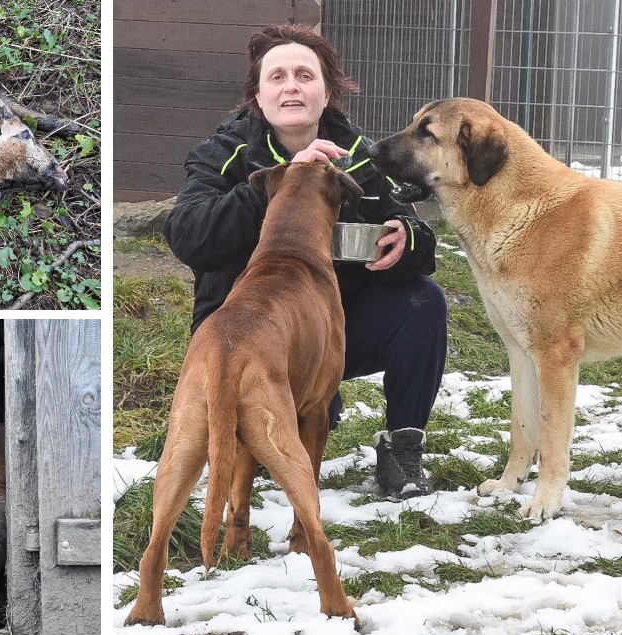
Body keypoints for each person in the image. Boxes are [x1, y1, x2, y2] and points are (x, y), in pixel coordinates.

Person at [163, 24, 447, 500]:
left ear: (327, 91)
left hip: (326, 333)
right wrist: (281, 183)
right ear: (258, 95)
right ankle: (246, 432)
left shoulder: (358, 156)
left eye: (304, 75)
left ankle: (402, 448)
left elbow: (413, 228)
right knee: (298, 429)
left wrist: (408, 238)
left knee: (424, 303)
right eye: (277, 77)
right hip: (249, 338)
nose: (291, 85)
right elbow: (188, 234)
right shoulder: (223, 154)